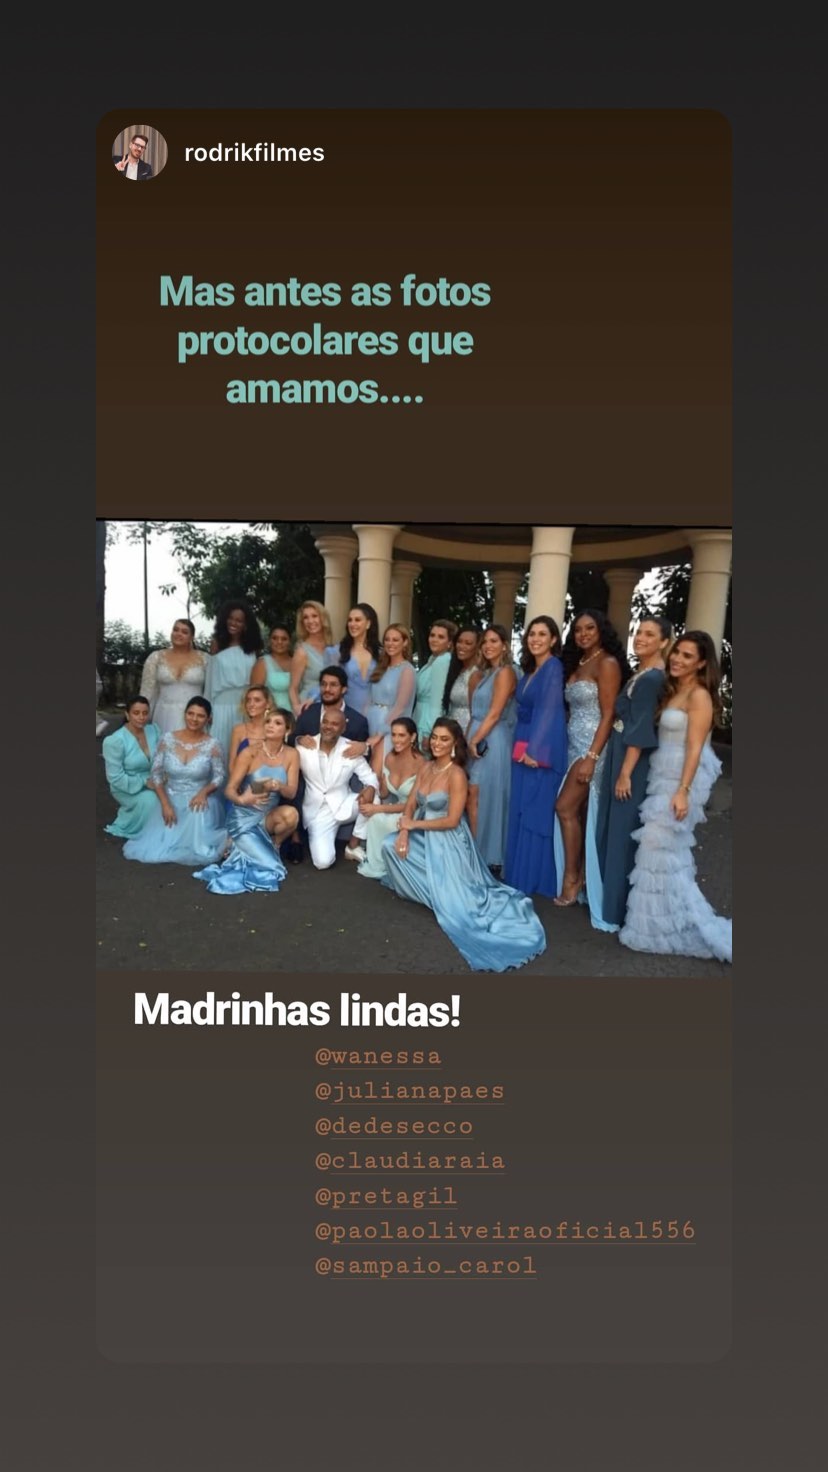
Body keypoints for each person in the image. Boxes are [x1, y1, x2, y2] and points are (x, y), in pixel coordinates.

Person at [381, 719, 546, 972]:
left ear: (455, 744)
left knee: (459, 908)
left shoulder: (456, 774)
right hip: (423, 833)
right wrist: (404, 831)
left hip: (448, 840)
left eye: (444, 739)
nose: (437, 743)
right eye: (434, 737)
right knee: (389, 844)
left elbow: (452, 820)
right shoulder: (426, 767)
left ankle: (444, 895)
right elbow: (411, 803)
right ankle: (434, 892)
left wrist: (412, 825)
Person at [620, 632, 732, 962]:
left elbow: (695, 747)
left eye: (687, 656)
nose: (678, 659)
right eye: (677, 652)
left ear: (701, 663)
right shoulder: (673, 689)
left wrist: (683, 792)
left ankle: (669, 927)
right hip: (662, 775)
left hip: (681, 779)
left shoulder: (699, 696)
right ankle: (660, 928)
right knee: (663, 855)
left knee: (657, 848)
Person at [552, 610, 628, 927]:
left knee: (564, 808)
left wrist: (593, 756)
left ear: (601, 631)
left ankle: (572, 877)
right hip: (573, 745)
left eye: (590, 628)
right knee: (582, 815)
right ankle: (583, 875)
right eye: (578, 629)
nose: (583, 634)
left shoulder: (607, 663)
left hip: (592, 748)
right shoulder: (578, 662)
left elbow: (609, 714)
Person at [595, 616, 672, 929]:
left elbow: (640, 728)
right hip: (620, 749)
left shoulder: (652, 679)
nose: (640, 637)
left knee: (622, 829)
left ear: (664, 642)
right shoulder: (641, 674)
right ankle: (607, 898)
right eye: (639, 632)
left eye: (649, 634)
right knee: (614, 825)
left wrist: (625, 772)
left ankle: (615, 909)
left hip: (631, 759)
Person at [194, 707, 300, 894]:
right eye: (268, 722)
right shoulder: (250, 752)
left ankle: (273, 845)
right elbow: (229, 790)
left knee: (291, 815)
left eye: (277, 723)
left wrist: (278, 786)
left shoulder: (292, 754)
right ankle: (239, 842)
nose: (270, 726)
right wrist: (243, 799)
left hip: (268, 816)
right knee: (272, 868)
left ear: (288, 730)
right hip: (244, 816)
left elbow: (291, 793)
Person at [504, 617, 567, 898]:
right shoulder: (531, 669)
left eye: (543, 634)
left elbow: (550, 710)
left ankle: (535, 877)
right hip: (523, 738)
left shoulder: (553, 666)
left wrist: (535, 749)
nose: (536, 639)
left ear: (553, 639)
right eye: (532, 634)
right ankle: (519, 871)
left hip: (540, 744)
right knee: (521, 804)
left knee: (535, 807)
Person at [122, 697, 227, 865]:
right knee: (157, 846)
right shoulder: (167, 739)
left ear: (208, 718)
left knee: (198, 814)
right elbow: (156, 774)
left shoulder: (213, 744)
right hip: (170, 796)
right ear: (185, 714)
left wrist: (204, 792)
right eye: (190, 713)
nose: (194, 719)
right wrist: (165, 804)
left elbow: (219, 776)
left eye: (200, 715)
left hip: (197, 797)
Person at [296, 707, 379, 869]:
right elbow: (286, 749)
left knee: (374, 797)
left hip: (344, 803)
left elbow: (370, 777)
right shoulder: (304, 746)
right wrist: (298, 739)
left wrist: (370, 787)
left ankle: (353, 845)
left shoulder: (350, 748)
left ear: (343, 728)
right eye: (325, 722)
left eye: (334, 724)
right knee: (322, 863)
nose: (328, 727)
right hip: (317, 812)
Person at [466, 624, 517, 873]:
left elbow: (495, 712)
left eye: (494, 641)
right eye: (485, 641)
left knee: (479, 794)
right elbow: (473, 712)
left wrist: (475, 739)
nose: (488, 646)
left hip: (492, 739)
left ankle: (483, 855)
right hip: (476, 735)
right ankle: (476, 850)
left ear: (505, 645)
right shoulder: (484, 674)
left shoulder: (506, 673)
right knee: (474, 795)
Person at [355, 718, 425, 878]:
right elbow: (385, 794)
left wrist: (377, 808)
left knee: (382, 819)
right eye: (394, 735)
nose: (396, 740)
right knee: (375, 819)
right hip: (396, 807)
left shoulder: (421, 763)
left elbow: (412, 803)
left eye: (402, 735)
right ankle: (378, 865)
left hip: (415, 812)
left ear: (413, 737)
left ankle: (391, 867)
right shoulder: (390, 758)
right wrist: (375, 786)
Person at [203, 598, 262, 762]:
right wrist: (208, 708)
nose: (234, 623)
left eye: (239, 620)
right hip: (221, 705)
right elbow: (210, 678)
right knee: (221, 750)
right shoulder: (217, 644)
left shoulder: (253, 648)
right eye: (230, 618)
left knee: (243, 752)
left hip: (244, 706)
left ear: (245, 625)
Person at [102, 695, 161, 838]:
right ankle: (137, 825)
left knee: (177, 796)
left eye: (145, 713)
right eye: (136, 713)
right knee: (152, 801)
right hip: (126, 786)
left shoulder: (154, 730)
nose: (141, 717)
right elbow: (115, 778)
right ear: (127, 714)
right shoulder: (114, 741)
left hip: (154, 780)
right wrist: (145, 782)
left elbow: (163, 758)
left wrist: (163, 776)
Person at [139, 618, 208, 735]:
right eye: (176, 630)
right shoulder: (156, 657)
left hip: (195, 716)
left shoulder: (205, 659)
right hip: (163, 714)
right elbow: (147, 691)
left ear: (192, 637)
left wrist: (210, 714)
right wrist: (142, 716)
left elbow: (211, 690)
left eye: (184, 632)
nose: (178, 634)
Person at [365, 624, 417, 771]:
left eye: (395, 640)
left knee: (379, 769)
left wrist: (379, 734)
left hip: (389, 726)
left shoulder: (407, 670)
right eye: (387, 639)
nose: (390, 643)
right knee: (369, 768)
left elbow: (400, 707)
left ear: (405, 642)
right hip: (371, 721)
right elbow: (369, 699)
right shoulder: (380, 668)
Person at [326, 603, 380, 716]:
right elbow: (328, 683)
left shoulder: (381, 654)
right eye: (350, 620)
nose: (352, 624)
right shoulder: (337, 652)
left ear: (368, 624)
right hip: (345, 714)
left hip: (374, 715)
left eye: (357, 620)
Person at [413, 619, 457, 751]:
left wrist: (429, 732)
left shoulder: (443, 661)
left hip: (427, 721)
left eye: (441, 637)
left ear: (450, 643)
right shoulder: (433, 660)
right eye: (432, 635)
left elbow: (437, 700)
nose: (434, 640)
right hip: (420, 715)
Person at [289, 600, 334, 713]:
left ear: (323, 618)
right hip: (309, 707)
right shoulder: (301, 652)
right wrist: (297, 709)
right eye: (306, 617)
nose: (310, 621)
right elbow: (293, 687)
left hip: (330, 708)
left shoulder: (332, 647)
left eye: (314, 616)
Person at [442, 627, 482, 732]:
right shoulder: (457, 670)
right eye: (459, 642)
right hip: (452, 728)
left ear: (477, 647)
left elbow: (476, 712)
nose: (462, 646)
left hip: (467, 730)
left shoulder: (476, 674)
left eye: (468, 643)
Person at [226, 684, 271, 770]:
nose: (251, 704)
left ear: (267, 704)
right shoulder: (238, 730)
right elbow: (232, 764)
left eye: (257, 700)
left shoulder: (274, 729)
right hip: (240, 777)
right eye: (248, 700)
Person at [250, 625, 294, 712]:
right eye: (275, 638)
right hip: (271, 713)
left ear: (290, 642)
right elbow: (255, 694)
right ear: (269, 641)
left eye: (284, 639)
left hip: (297, 712)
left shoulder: (296, 662)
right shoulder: (262, 663)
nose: (279, 642)